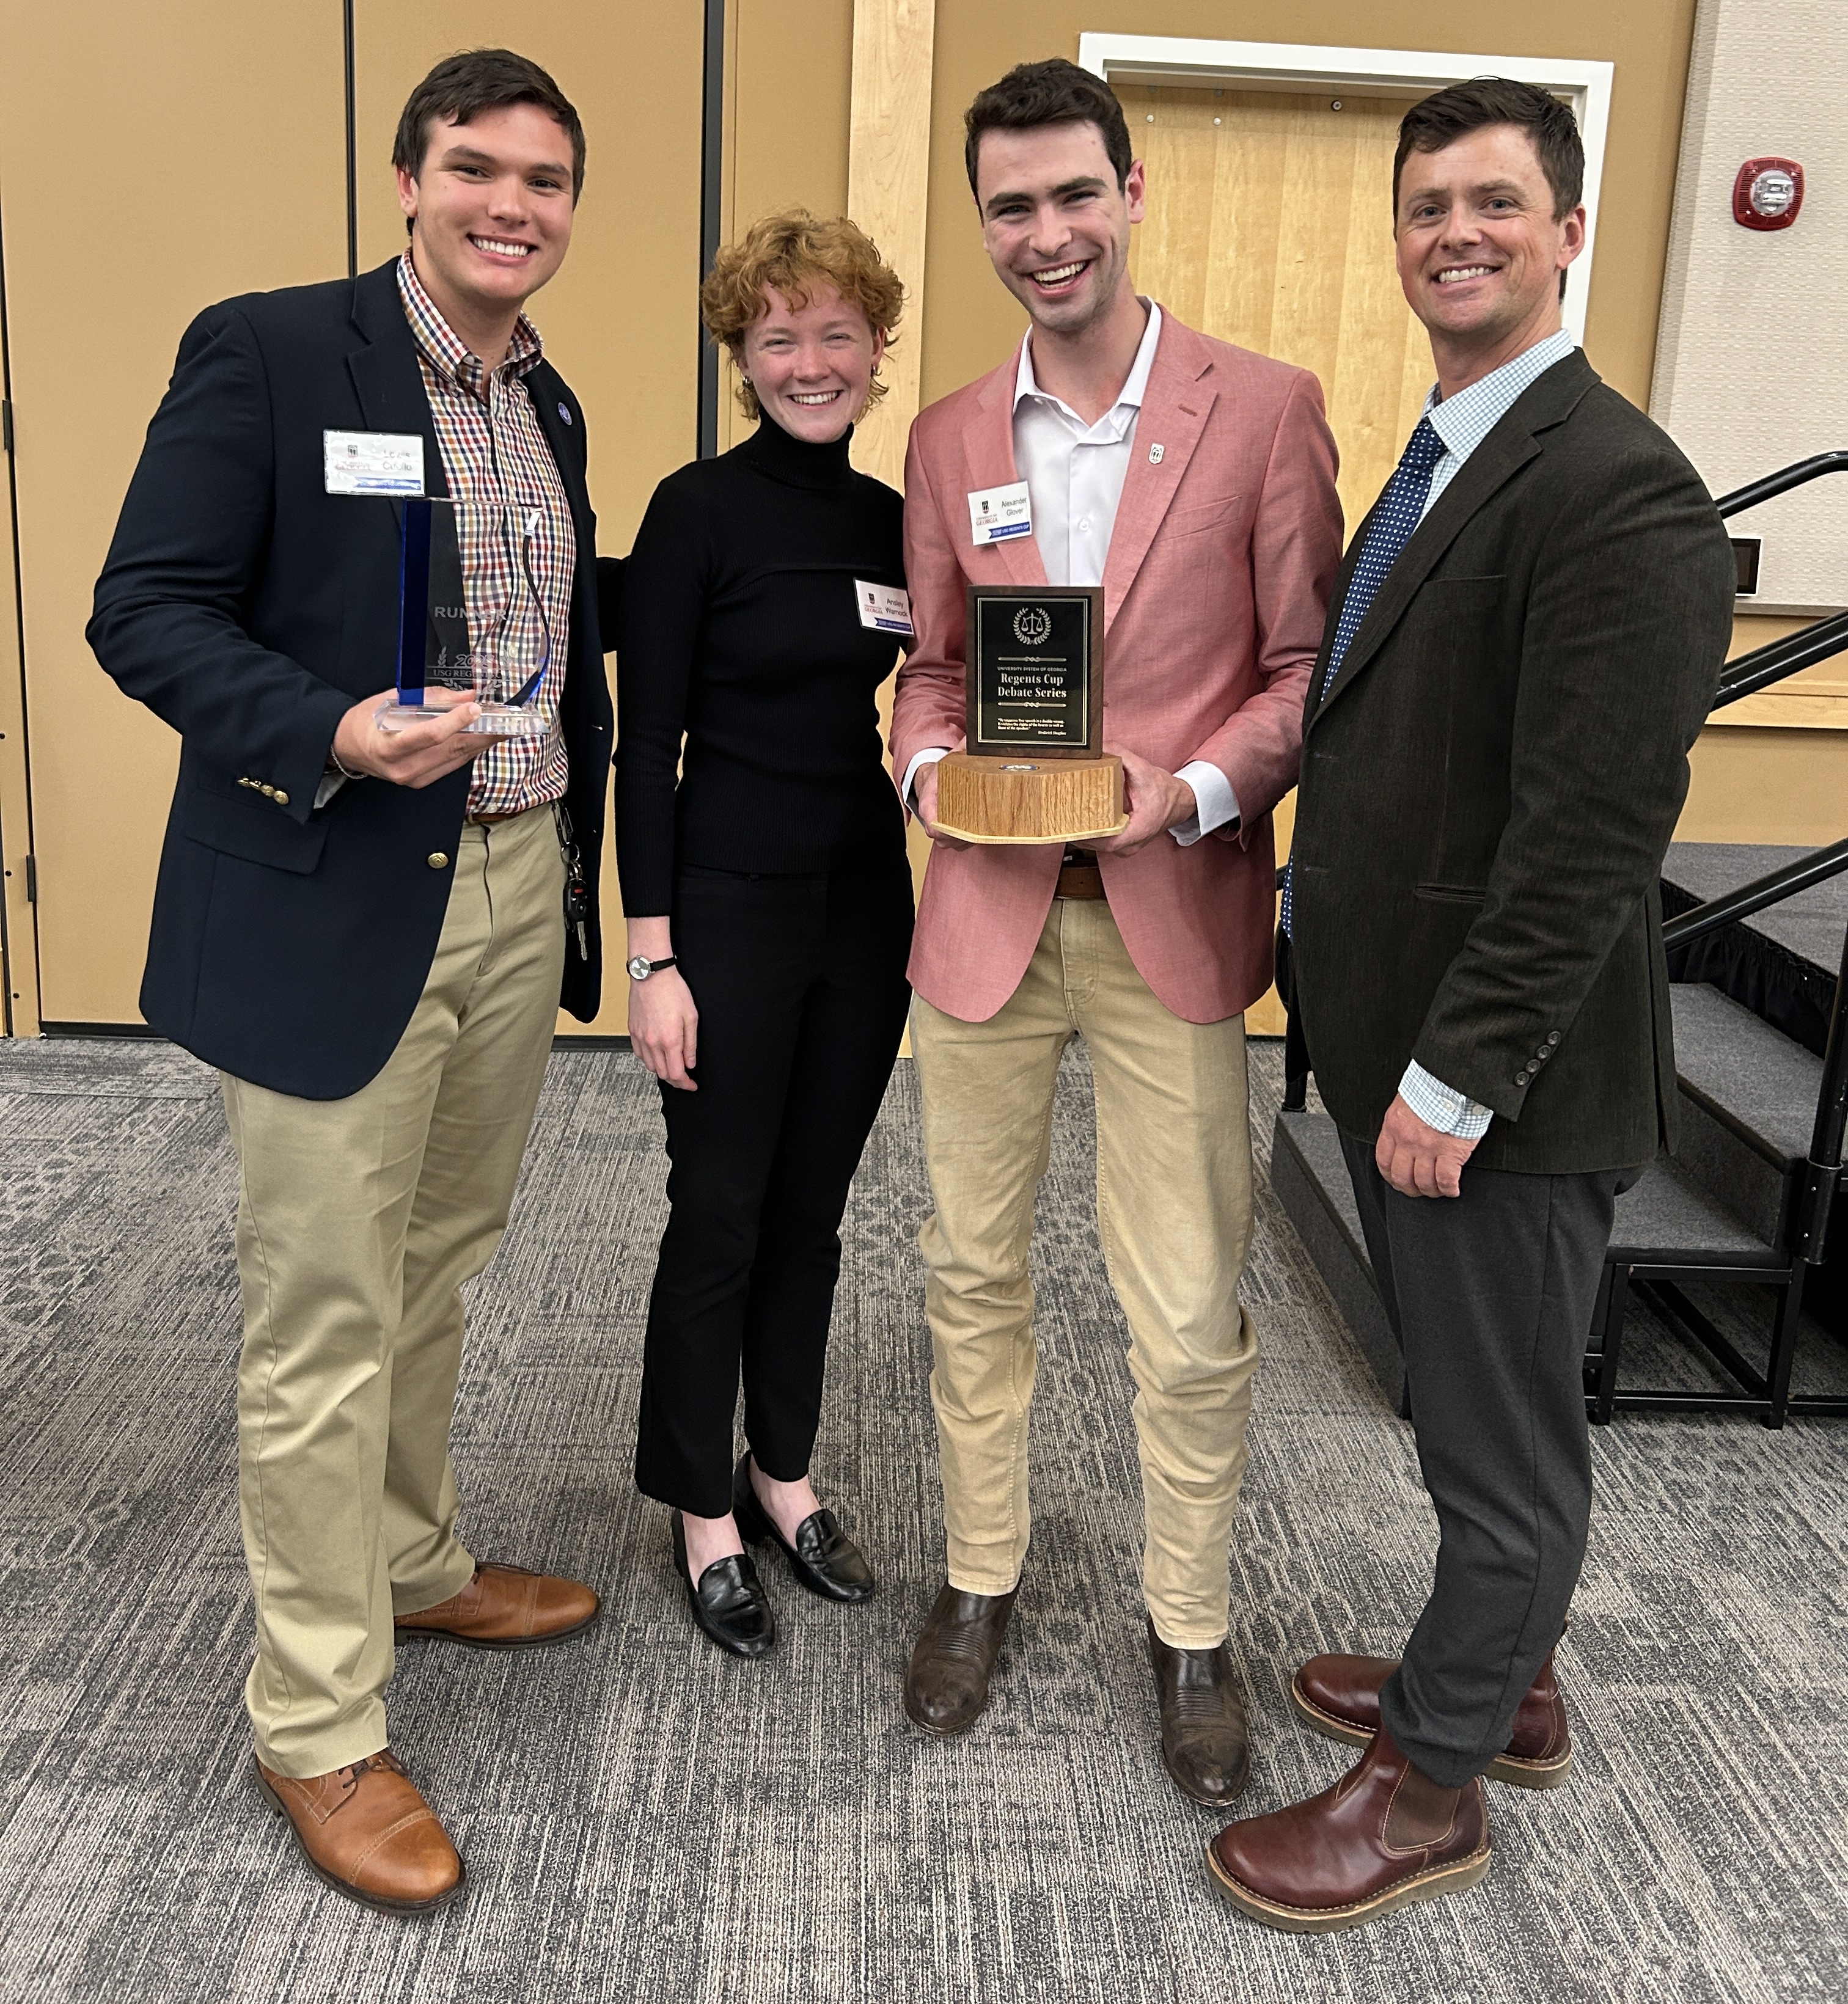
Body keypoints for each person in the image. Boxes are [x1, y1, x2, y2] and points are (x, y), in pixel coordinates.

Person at [87, 49, 619, 1916]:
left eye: (546, 180)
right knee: (322, 1317)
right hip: (333, 887)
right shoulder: (271, 350)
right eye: (477, 168)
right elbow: (142, 608)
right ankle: (317, 1720)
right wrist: (321, 724)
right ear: (408, 180)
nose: (513, 205)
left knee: (442, 1264)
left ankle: (410, 1556)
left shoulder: (546, 399)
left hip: (506, 881)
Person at [1206, 79, 1734, 1931]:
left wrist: (1456, 1071)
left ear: (1570, 229)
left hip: (1491, 1076)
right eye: (1429, 205)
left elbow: (1596, 831)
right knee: (1473, 1411)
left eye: (1497, 203)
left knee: (1503, 1443)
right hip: (1406, 1042)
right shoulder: (1445, 453)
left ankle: (1427, 1792)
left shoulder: (1617, 486)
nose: (1457, 234)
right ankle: (1498, 1684)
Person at [892, 59, 1342, 1805]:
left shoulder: (1262, 406)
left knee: (1185, 1306)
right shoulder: (946, 436)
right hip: (992, 922)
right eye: (1011, 205)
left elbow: (1308, 671)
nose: (1046, 232)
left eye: (1074, 193)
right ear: (986, 221)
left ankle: (1191, 1623)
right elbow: (934, 661)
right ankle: (980, 1578)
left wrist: (1204, 791)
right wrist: (929, 762)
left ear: (1131, 189)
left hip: (1173, 912)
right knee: (968, 1276)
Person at [616, 212, 913, 1658]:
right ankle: (698, 1504)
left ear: (875, 349)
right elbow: (646, 739)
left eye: (836, 334)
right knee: (719, 1211)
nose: (811, 362)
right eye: (778, 337)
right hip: (721, 909)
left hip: (864, 908)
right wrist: (651, 956)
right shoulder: (698, 511)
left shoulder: (893, 519)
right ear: (742, 356)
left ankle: (779, 1470)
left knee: (814, 1213)